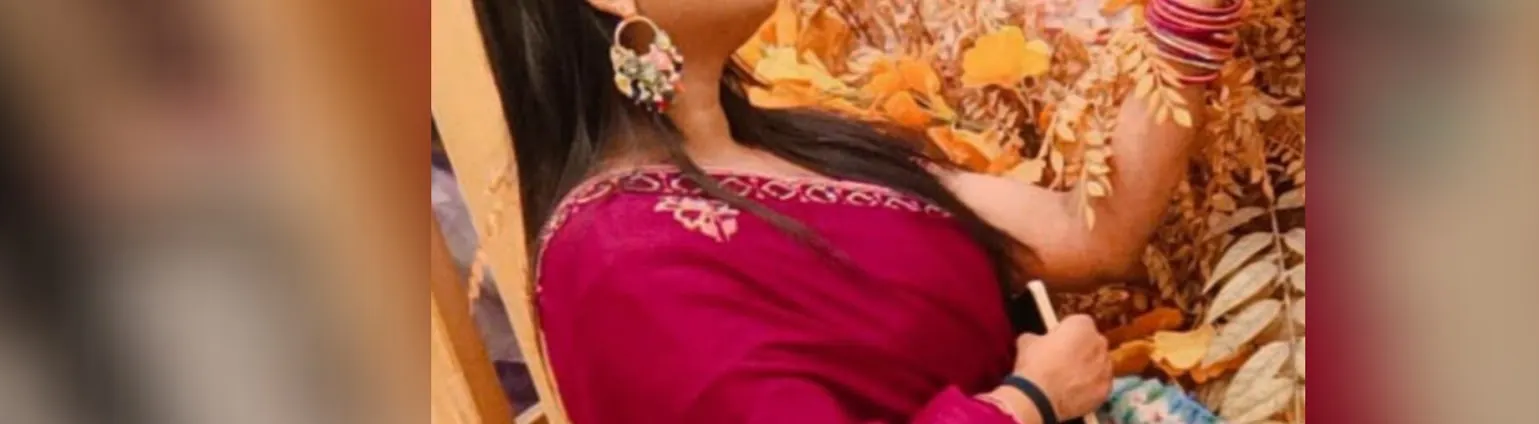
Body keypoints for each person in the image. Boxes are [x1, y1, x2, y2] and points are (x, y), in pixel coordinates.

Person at [467, 0, 1243, 422]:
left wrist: (1189, 23)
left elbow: (1092, 232)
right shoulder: (616, 258)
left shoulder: (804, 146)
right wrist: (1027, 403)